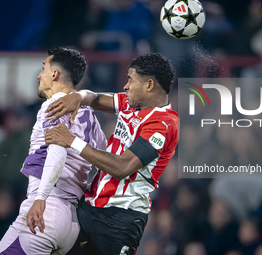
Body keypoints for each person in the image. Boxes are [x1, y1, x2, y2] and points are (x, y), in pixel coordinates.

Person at [44, 53, 179, 255]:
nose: (125, 86)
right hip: (88, 207)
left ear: (149, 85)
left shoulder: (164, 124)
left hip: (120, 220)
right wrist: (78, 97)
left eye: (130, 80)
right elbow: (96, 98)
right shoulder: (130, 103)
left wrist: (71, 141)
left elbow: (122, 167)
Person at [0, 47, 107, 255]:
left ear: (54, 74)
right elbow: (104, 159)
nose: (39, 75)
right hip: (71, 222)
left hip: (45, 211)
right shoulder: (90, 116)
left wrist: (41, 198)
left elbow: (57, 150)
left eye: (43, 68)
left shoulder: (55, 103)